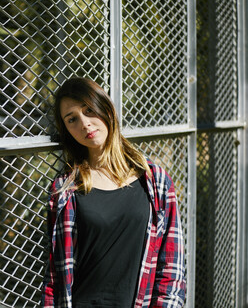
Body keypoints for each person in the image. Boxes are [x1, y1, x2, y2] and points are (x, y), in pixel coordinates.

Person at [41, 77, 186, 307]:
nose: (85, 124)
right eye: (72, 119)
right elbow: (55, 276)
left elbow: (171, 268)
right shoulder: (65, 189)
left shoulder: (154, 181)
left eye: (89, 110)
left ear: (105, 108)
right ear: (67, 130)